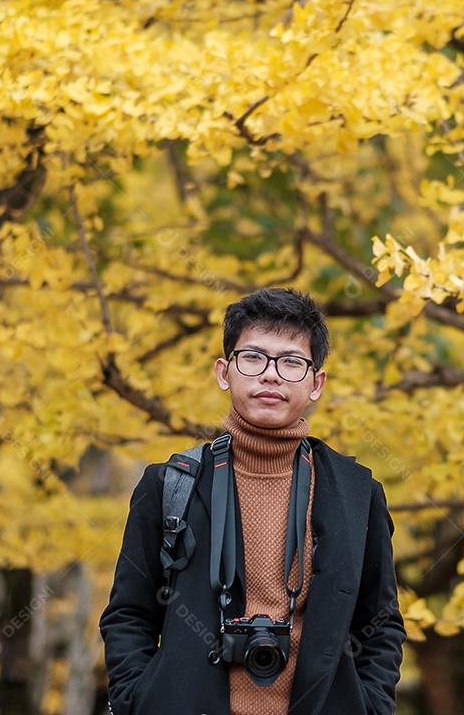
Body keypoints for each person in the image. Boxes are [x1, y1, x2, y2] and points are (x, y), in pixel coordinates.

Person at [100, 288, 405, 715]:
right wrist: (138, 699)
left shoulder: (356, 493)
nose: (271, 375)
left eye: (291, 362)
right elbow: (128, 614)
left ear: (316, 383)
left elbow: (381, 623)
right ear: (224, 372)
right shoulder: (169, 485)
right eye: (253, 357)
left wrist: (370, 706)